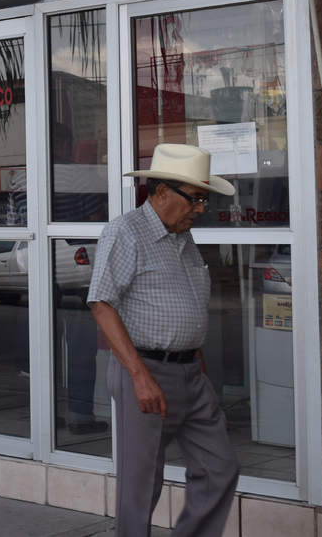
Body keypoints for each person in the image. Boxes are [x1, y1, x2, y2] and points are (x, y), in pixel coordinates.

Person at [88, 143, 239, 536]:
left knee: (219, 467)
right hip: (145, 370)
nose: (200, 209)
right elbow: (101, 304)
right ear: (160, 192)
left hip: (191, 372)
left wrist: (196, 361)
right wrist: (139, 376)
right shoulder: (126, 231)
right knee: (141, 484)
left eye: (204, 199)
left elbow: (185, 304)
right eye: (195, 198)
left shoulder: (183, 238)